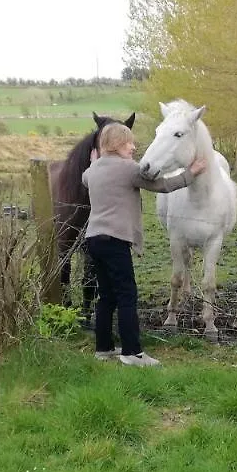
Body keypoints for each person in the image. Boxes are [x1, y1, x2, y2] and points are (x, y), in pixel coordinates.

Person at [82, 123, 205, 366]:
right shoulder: (129, 169)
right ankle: (132, 352)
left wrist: (95, 161)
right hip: (115, 239)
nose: (134, 147)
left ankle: (103, 348)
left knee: (106, 296)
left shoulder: (92, 170)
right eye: (129, 143)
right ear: (117, 145)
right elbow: (164, 186)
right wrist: (193, 171)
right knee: (127, 295)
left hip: (93, 239)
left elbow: (86, 179)